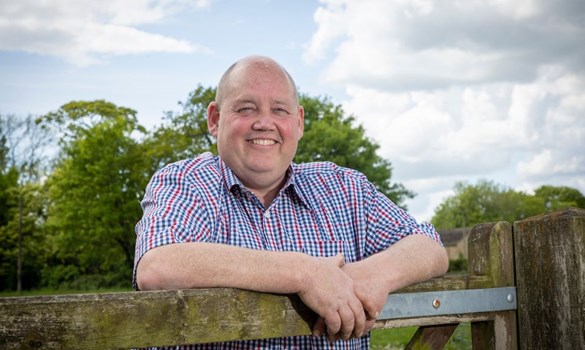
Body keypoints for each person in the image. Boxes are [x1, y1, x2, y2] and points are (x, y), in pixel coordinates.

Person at [133, 55, 448, 349]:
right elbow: (158, 266)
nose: (264, 123)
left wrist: (373, 275)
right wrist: (306, 273)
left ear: (298, 122)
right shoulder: (186, 181)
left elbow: (429, 247)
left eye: (279, 110)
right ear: (215, 119)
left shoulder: (344, 188)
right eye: (246, 109)